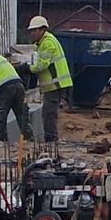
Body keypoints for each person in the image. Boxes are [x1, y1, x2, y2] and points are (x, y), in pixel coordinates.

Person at [26, 15, 74, 143]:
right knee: (49, 114)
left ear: (42, 30)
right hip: (54, 85)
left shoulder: (47, 43)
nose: (31, 33)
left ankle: (51, 140)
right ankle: (51, 139)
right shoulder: (45, 42)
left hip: (55, 84)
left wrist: (27, 68)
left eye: (34, 30)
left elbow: (42, 65)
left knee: (48, 114)